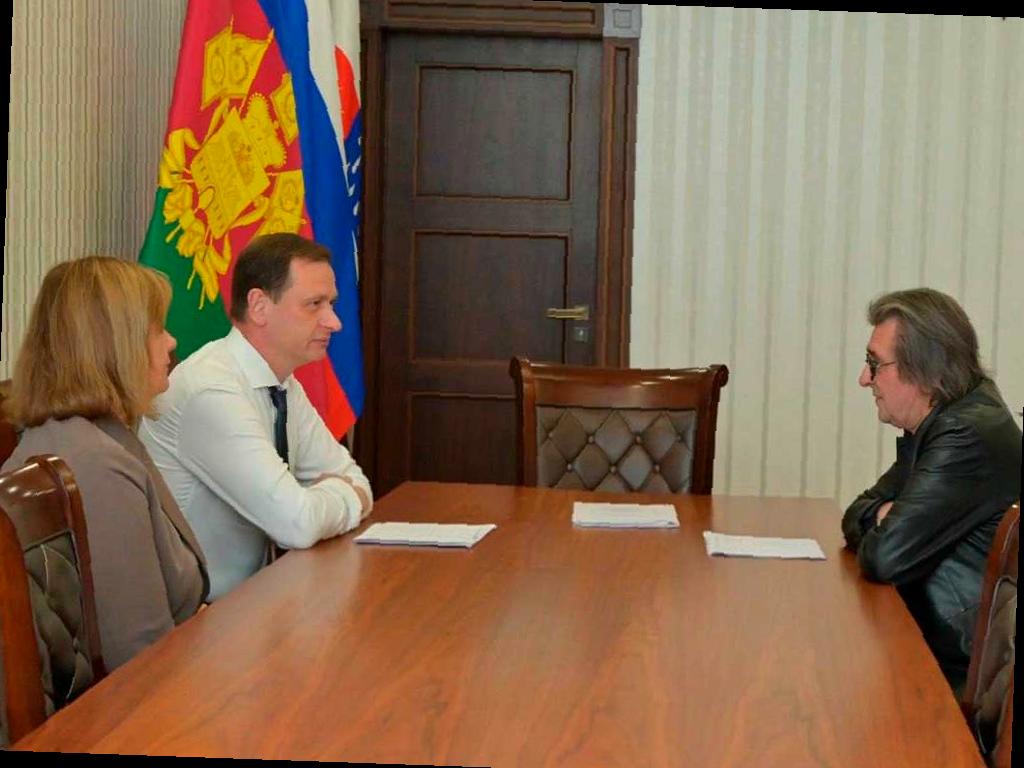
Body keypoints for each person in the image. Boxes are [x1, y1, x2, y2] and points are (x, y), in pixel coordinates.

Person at [140, 233, 373, 601]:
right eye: (314, 304)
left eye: (331, 304)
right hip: (195, 617)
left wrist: (333, 496)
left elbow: (355, 479)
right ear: (260, 306)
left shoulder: (281, 382)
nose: (334, 322)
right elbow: (297, 524)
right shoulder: (211, 390)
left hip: (256, 600)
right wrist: (345, 496)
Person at [3, 256, 209, 671]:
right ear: (115, 346)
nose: (172, 342)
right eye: (157, 329)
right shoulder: (94, 464)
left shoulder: (103, 436)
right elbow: (138, 656)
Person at [842, 288, 1021, 693]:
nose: (865, 379)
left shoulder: (963, 435)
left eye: (875, 363)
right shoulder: (944, 419)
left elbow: (883, 556)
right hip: (936, 646)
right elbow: (856, 511)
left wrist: (887, 518)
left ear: (924, 370)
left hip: (961, 676)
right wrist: (882, 514)